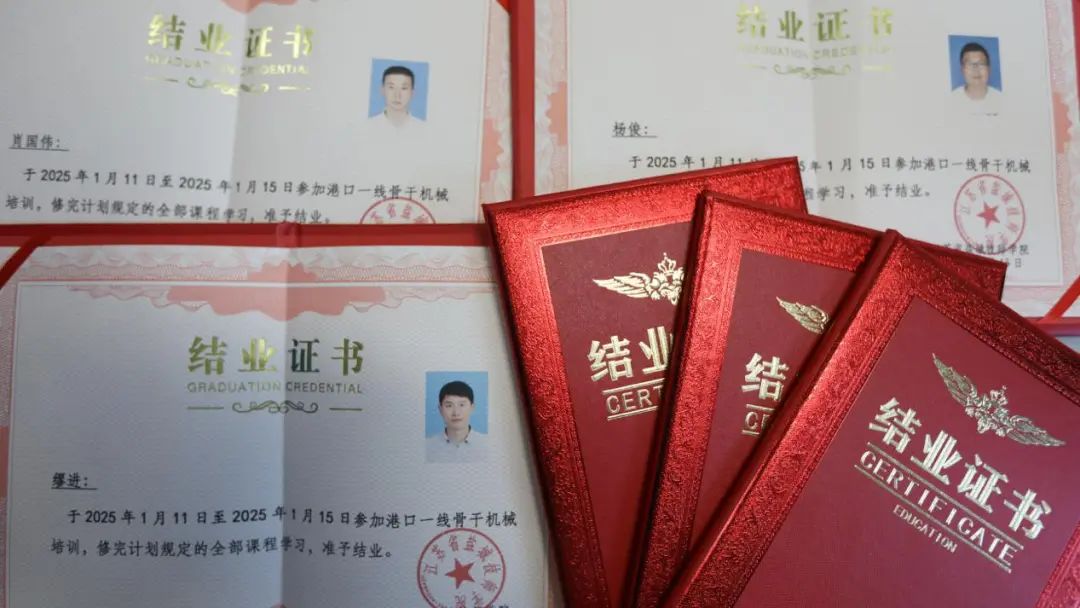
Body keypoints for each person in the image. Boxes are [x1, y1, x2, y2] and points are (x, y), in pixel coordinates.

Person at [426, 380, 486, 463]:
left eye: (462, 405)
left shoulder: (487, 445)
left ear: (472, 408)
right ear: (440, 409)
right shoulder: (427, 447)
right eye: (449, 405)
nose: (456, 413)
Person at [950, 41, 1001, 115]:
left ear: (989, 69)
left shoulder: (1001, 99)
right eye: (970, 64)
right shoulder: (952, 100)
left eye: (981, 64)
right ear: (962, 70)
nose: (976, 69)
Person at [374, 65, 423, 129]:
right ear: (382, 90)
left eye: (404, 88)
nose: (397, 95)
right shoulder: (368, 126)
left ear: (412, 93)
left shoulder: (423, 128)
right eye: (391, 87)